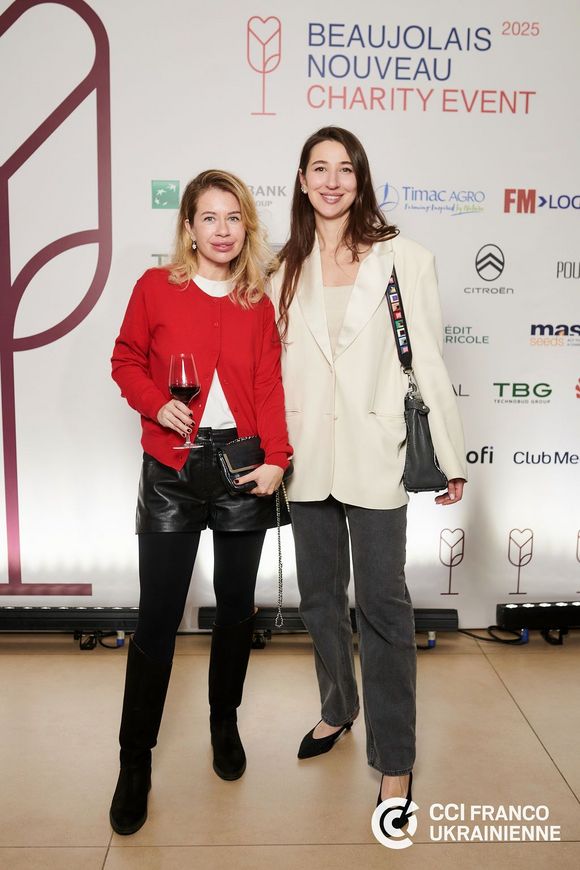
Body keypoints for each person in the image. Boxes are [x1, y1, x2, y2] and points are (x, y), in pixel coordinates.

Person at [269, 127, 467, 815]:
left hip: (378, 450)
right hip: (305, 457)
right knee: (320, 600)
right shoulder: (280, 268)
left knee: (382, 604)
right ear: (301, 181)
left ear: (361, 180)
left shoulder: (404, 258)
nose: (332, 181)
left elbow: (428, 358)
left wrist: (450, 454)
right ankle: (337, 707)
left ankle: (395, 759)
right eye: (319, 169)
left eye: (344, 169)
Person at [109, 169, 292, 835]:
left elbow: (268, 383)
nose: (222, 230)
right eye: (209, 217)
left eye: (233, 217)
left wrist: (278, 459)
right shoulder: (155, 287)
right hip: (171, 469)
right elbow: (126, 360)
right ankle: (134, 761)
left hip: (242, 465)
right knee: (157, 617)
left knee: (236, 611)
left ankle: (224, 722)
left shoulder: (256, 302)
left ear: (247, 226)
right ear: (188, 226)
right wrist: (156, 403)